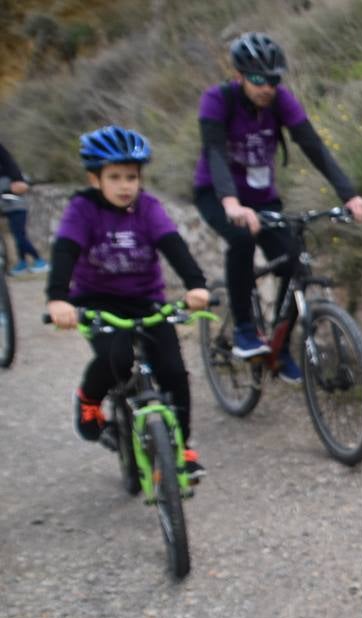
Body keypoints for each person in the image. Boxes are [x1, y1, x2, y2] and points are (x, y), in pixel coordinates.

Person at [193, 31, 362, 382]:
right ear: (239, 76)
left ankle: (278, 347)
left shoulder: (280, 102)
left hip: (262, 198)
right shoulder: (218, 100)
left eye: (273, 79)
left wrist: (348, 194)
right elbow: (214, 151)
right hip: (217, 193)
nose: (267, 87)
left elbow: (313, 146)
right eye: (258, 79)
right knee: (241, 240)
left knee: (292, 258)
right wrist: (230, 203)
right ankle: (243, 328)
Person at [46, 126, 210, 478]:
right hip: (97, 300)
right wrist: (58, 299)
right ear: (95, 179)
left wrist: (196, 285)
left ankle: (181, 446)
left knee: (172, 371)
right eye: (115, 177)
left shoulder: (148, 208)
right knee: (115, 357)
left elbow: (173, 245)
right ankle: (89, 402)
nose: (125, 185)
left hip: (145, 300)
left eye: (131, 177)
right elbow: (65, 251)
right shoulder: (83, 209)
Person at [0, 139, 48, 275]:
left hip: (16, 206)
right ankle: (22, 263)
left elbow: (11, 166)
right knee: (17, 236)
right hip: (8, 208)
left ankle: (39, 260)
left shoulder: (10, 174)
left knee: (19, 236)